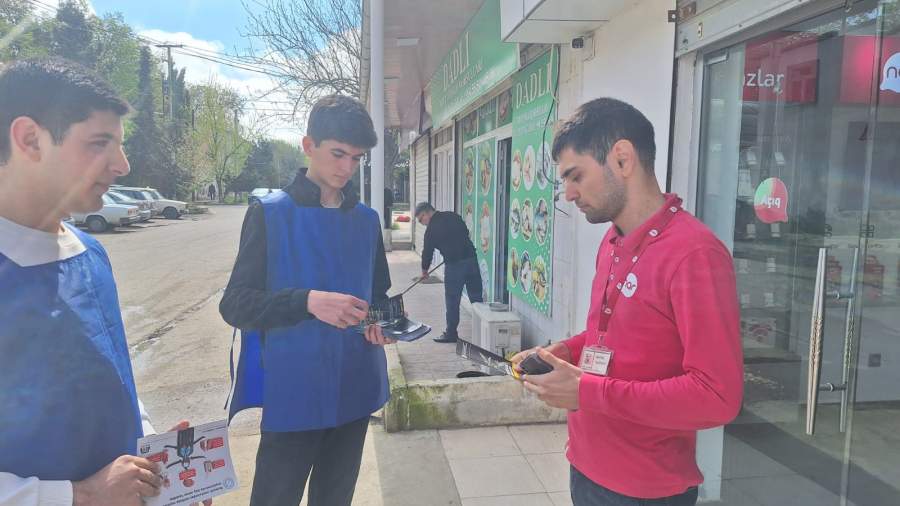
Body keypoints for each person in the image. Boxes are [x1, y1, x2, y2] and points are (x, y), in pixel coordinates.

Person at [511, 98, 743, 506]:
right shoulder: (613, 239)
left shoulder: (694, 254)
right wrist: (564, 350)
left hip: (644, 489)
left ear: (622, 158)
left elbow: (717, 397)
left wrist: (587, 392)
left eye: (575, 176)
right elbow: (613, 336)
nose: (568, 194)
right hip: (586, 465)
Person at [0, 58, 208, 506]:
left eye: (120, 145)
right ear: (30, 139)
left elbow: (113, 380)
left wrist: (155, 461)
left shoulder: (89, 252)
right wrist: (79, 495)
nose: (123, 165)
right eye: (99, 143)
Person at [220, 94, 392, 506]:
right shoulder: (270, 213)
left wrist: (382, 323)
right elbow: (235, 304)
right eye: (338, 154)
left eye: (357, 158)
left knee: (335, 498)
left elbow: (380, 296)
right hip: (295, 389)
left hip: (355, 383)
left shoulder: (367, 221)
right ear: (308, 145)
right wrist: (307, 302)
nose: (346, 168)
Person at [415, 202, 483, 343]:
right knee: (476, 298)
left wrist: (424, 271)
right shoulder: (453, 216)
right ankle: (484, 331)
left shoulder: (431, 230)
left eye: (421, 220)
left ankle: (451, 333)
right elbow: (465, 232)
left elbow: (427, 252)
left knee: (452, 300)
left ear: (426, 213)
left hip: (454, 266)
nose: (422, 223)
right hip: (471, 260)